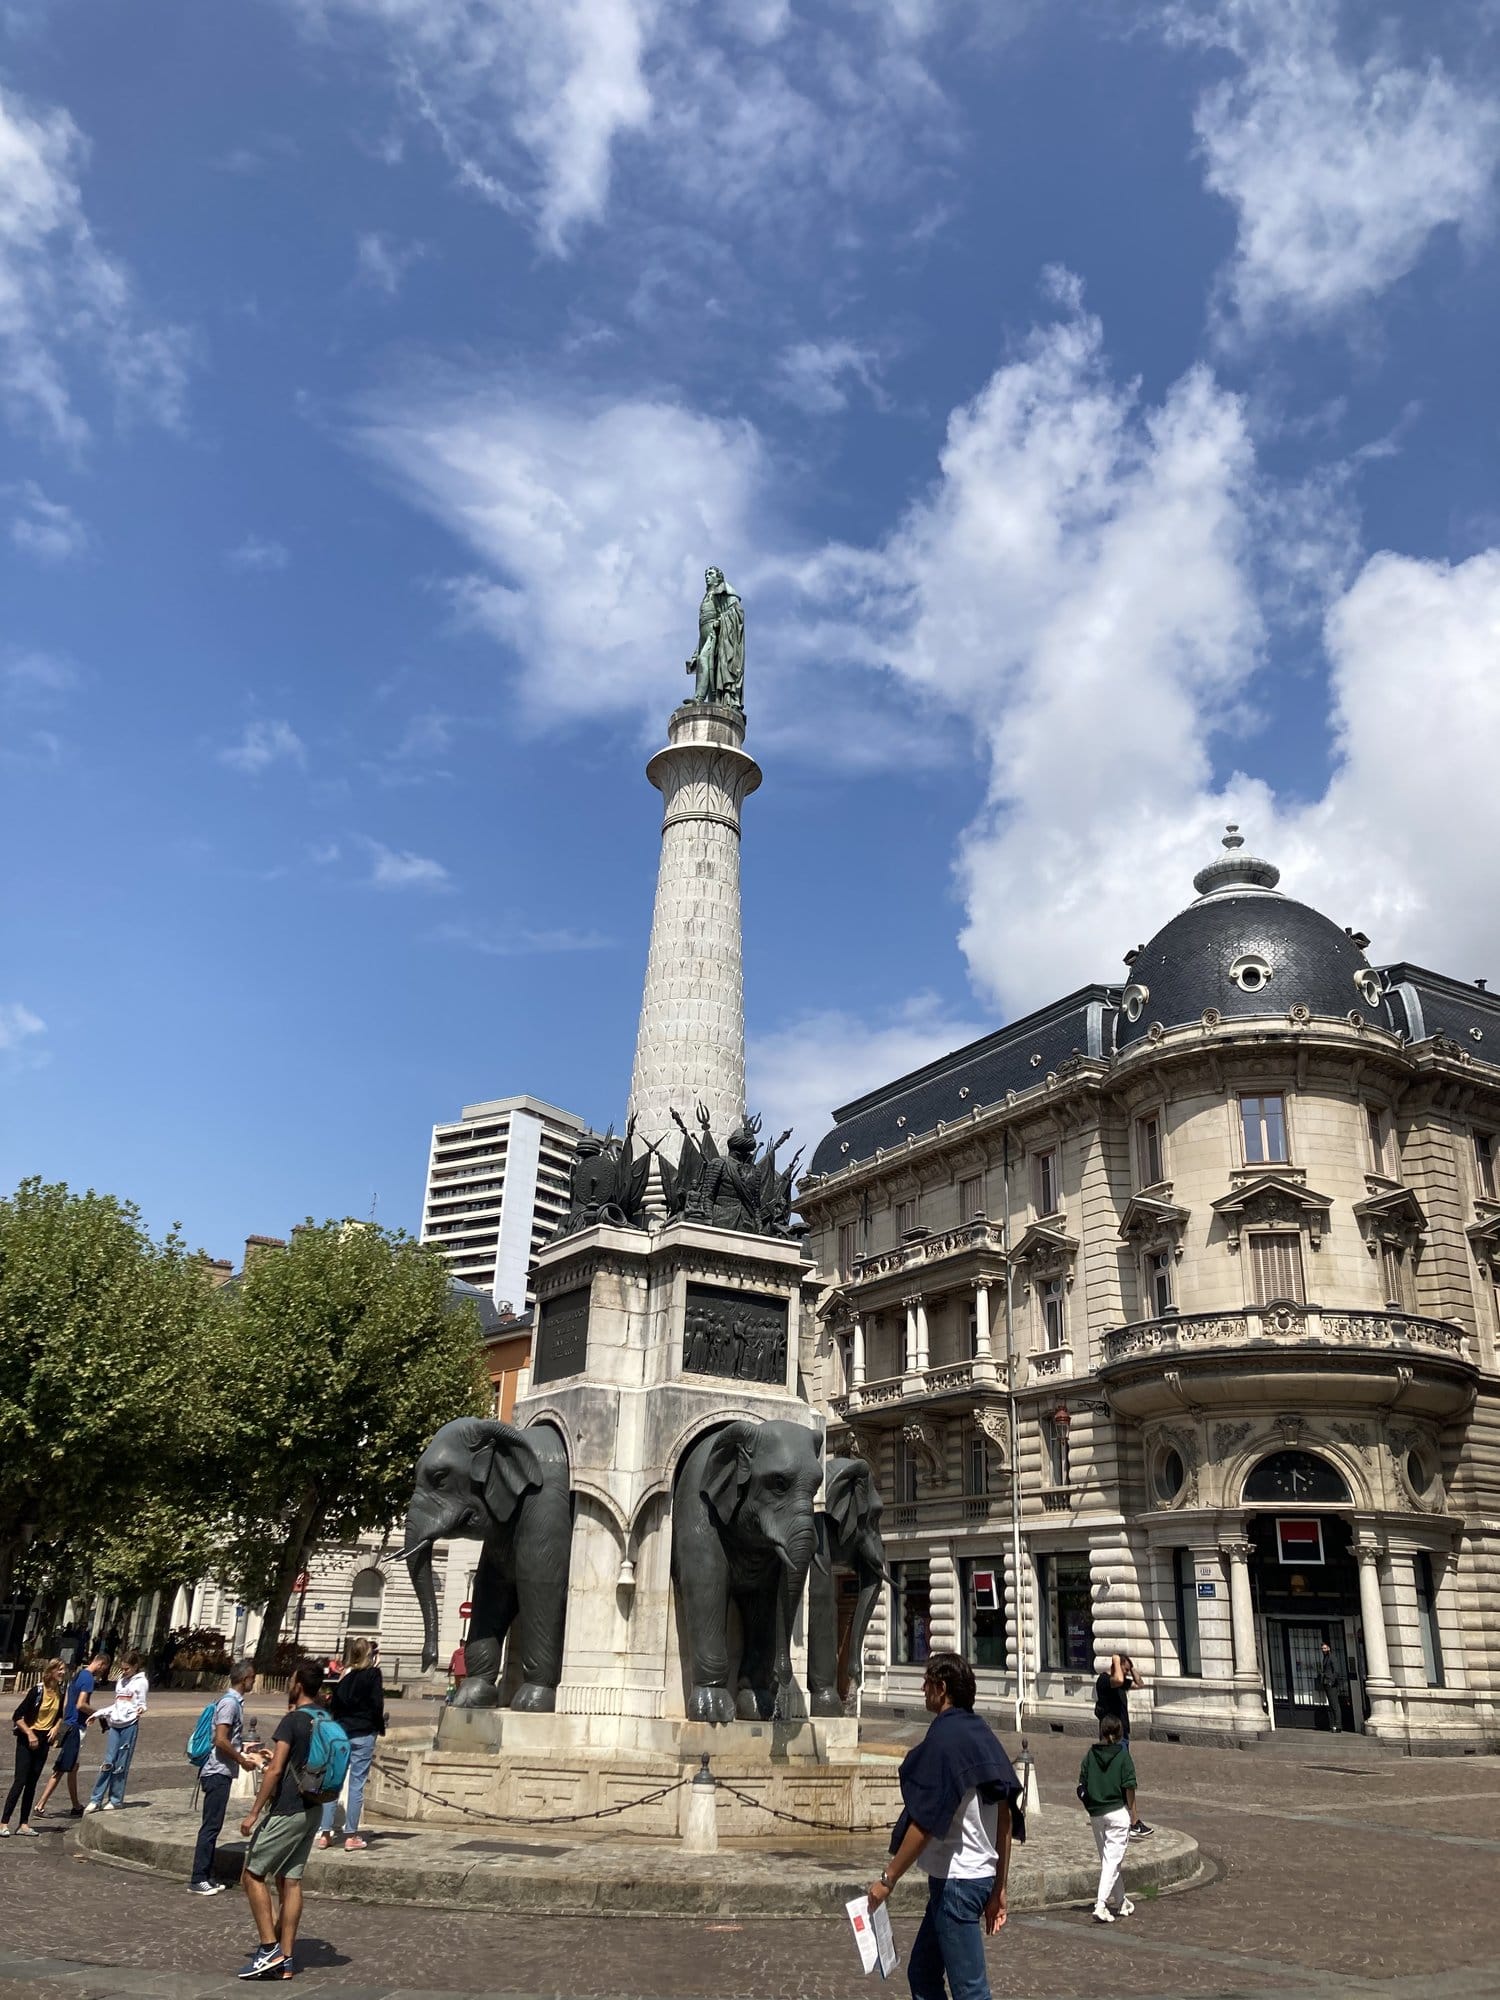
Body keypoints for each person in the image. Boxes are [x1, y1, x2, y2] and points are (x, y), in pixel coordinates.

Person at [865, 1652, 1018, 2000]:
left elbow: (925, 1821)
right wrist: (999, 1886)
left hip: (959, 1883)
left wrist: (887, 1880)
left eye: (927, 1683)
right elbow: (1006, 1816)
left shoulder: (944, 1741)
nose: (922, 1690)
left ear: (942, 1687)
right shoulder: (982, 1733)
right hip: (970, 1878)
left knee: (971, 1991)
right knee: (922, 1972)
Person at [236, 1659, 327, 1980]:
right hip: (315, 1807)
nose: (289, 1683)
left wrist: (254, 1812)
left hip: (288, 1807)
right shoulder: (325, 1717)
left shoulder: (293, 1721)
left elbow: (276, 1770)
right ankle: (286, 1961)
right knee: (291, 1879)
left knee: (252, 1875)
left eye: (291, 1680)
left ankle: (268, 1949)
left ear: (299, 1686)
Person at [191, 1659, 265, 1896]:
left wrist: (247, 1752)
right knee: (210, 1826)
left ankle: (208, 1875)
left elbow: (229, 1740)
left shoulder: (233, 1703)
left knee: (214, 1824)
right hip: (216, 1771)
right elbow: (220, 1739)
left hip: (222, 1770)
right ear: (245, 1679)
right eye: (252, 1677)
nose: (254, 1681)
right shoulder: (230, 1704)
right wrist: (241, 1760)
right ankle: (198, 1877)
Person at [315, 1636, 383, 1852]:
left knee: (334, 1781)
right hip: (363, 1732)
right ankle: (351, 1834)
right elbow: (376, 1703)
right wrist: (377, 1726)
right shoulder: (372, 1674)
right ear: (369, 1655)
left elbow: (334, 1705)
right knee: (356, 1784)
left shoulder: (345, 1676)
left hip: (342, 1733)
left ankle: (325, 1832)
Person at [1079, 1715, 1138, 1923]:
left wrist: (1089, 1804)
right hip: (1117, 1812)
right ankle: (1101, 1903)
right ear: (1120, 1733)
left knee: (1109, 1860)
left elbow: (1081, 1784)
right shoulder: (1123, 1756)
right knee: (1112, 1861)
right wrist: (1133, 1813)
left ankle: (1121, 1901)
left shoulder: (1090, 1755)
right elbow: (1129, 1785)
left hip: (1096, 1813)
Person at [36, 1649, 108, 1819]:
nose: (102, 1672)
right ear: (101, 1664)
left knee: (73, 1767)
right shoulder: (88, 1679)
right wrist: (99, 1714)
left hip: (69, 1724)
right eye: (104, 1669)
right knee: (62, 1767)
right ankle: (40, 1805)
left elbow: (69, 1700)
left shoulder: (78, 1675)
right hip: (75, 1727)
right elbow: (81, 1704)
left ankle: (76, 1805)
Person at [2, 1659, 67, 1837]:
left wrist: (56, 1727)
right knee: (20, 1781)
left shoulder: (61, 1690)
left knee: (32, 1783)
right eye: (59, 1669)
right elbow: (17, 1716)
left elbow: (60, 1714)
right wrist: (30, 1734)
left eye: (64, 1669)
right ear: (51, 1670)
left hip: (44, 1739)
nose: (62, 1672)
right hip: (27, 1738)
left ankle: (23, 1824)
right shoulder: (37, 1690)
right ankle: (4, 1822)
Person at [1093, 1654, 1153, 1838]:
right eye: (1124, 1669)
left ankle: (1121, 1818)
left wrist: (1132, 1667)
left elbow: (1140, 1683)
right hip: (1113, 1738)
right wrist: (1117, 1659)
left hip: (1123, 1736)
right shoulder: (1105, 1681)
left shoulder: (1121, 1683)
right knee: (1126, 1780)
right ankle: (1133, 1821)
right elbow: (1118, 1678)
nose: (1126, 1674)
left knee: (1120, 1779)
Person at [83, 1648, 149, 1814]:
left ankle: (115, 1798)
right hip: (116, 1724)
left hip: (129, 1724)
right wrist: (98, 1714)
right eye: (123, 1668)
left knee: (121, 1763)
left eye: (127, 1669)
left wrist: (140, 1709)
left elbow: (141, 1703)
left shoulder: (141, 1682)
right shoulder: (121, 1681)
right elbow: (117, 1704)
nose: (124, 1672)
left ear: (135, 1667)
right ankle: (96, 1799)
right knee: (108, 1761)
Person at [1317, 1641, 1346, 1732]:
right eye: (1322, 1649)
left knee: (1334, 1705)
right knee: (1332, 1704)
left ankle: (1338, 1725)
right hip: (1327, 1682)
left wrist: (1331, 1681)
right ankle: (1335, 1724)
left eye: (1325, 1648)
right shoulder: (1325, 1658)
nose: (1323, 1650)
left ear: (1329, 1648)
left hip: (1331, 1683)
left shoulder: (1332, 1657)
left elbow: (1336, 1671)